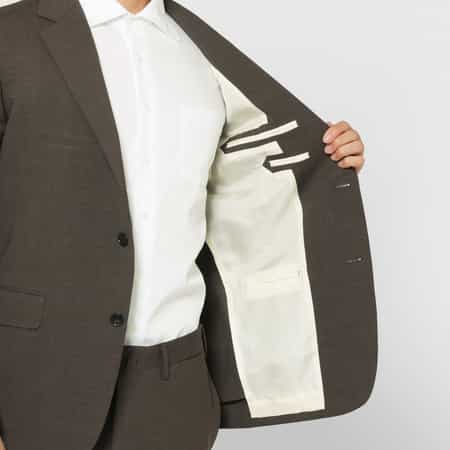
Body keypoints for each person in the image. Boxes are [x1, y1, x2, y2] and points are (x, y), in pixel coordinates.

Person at [0, 1, 373, 450]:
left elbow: (240, 188)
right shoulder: (10, 37)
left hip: (176, 384)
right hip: (37, 380)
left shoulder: (199, 53)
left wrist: (327, 158)